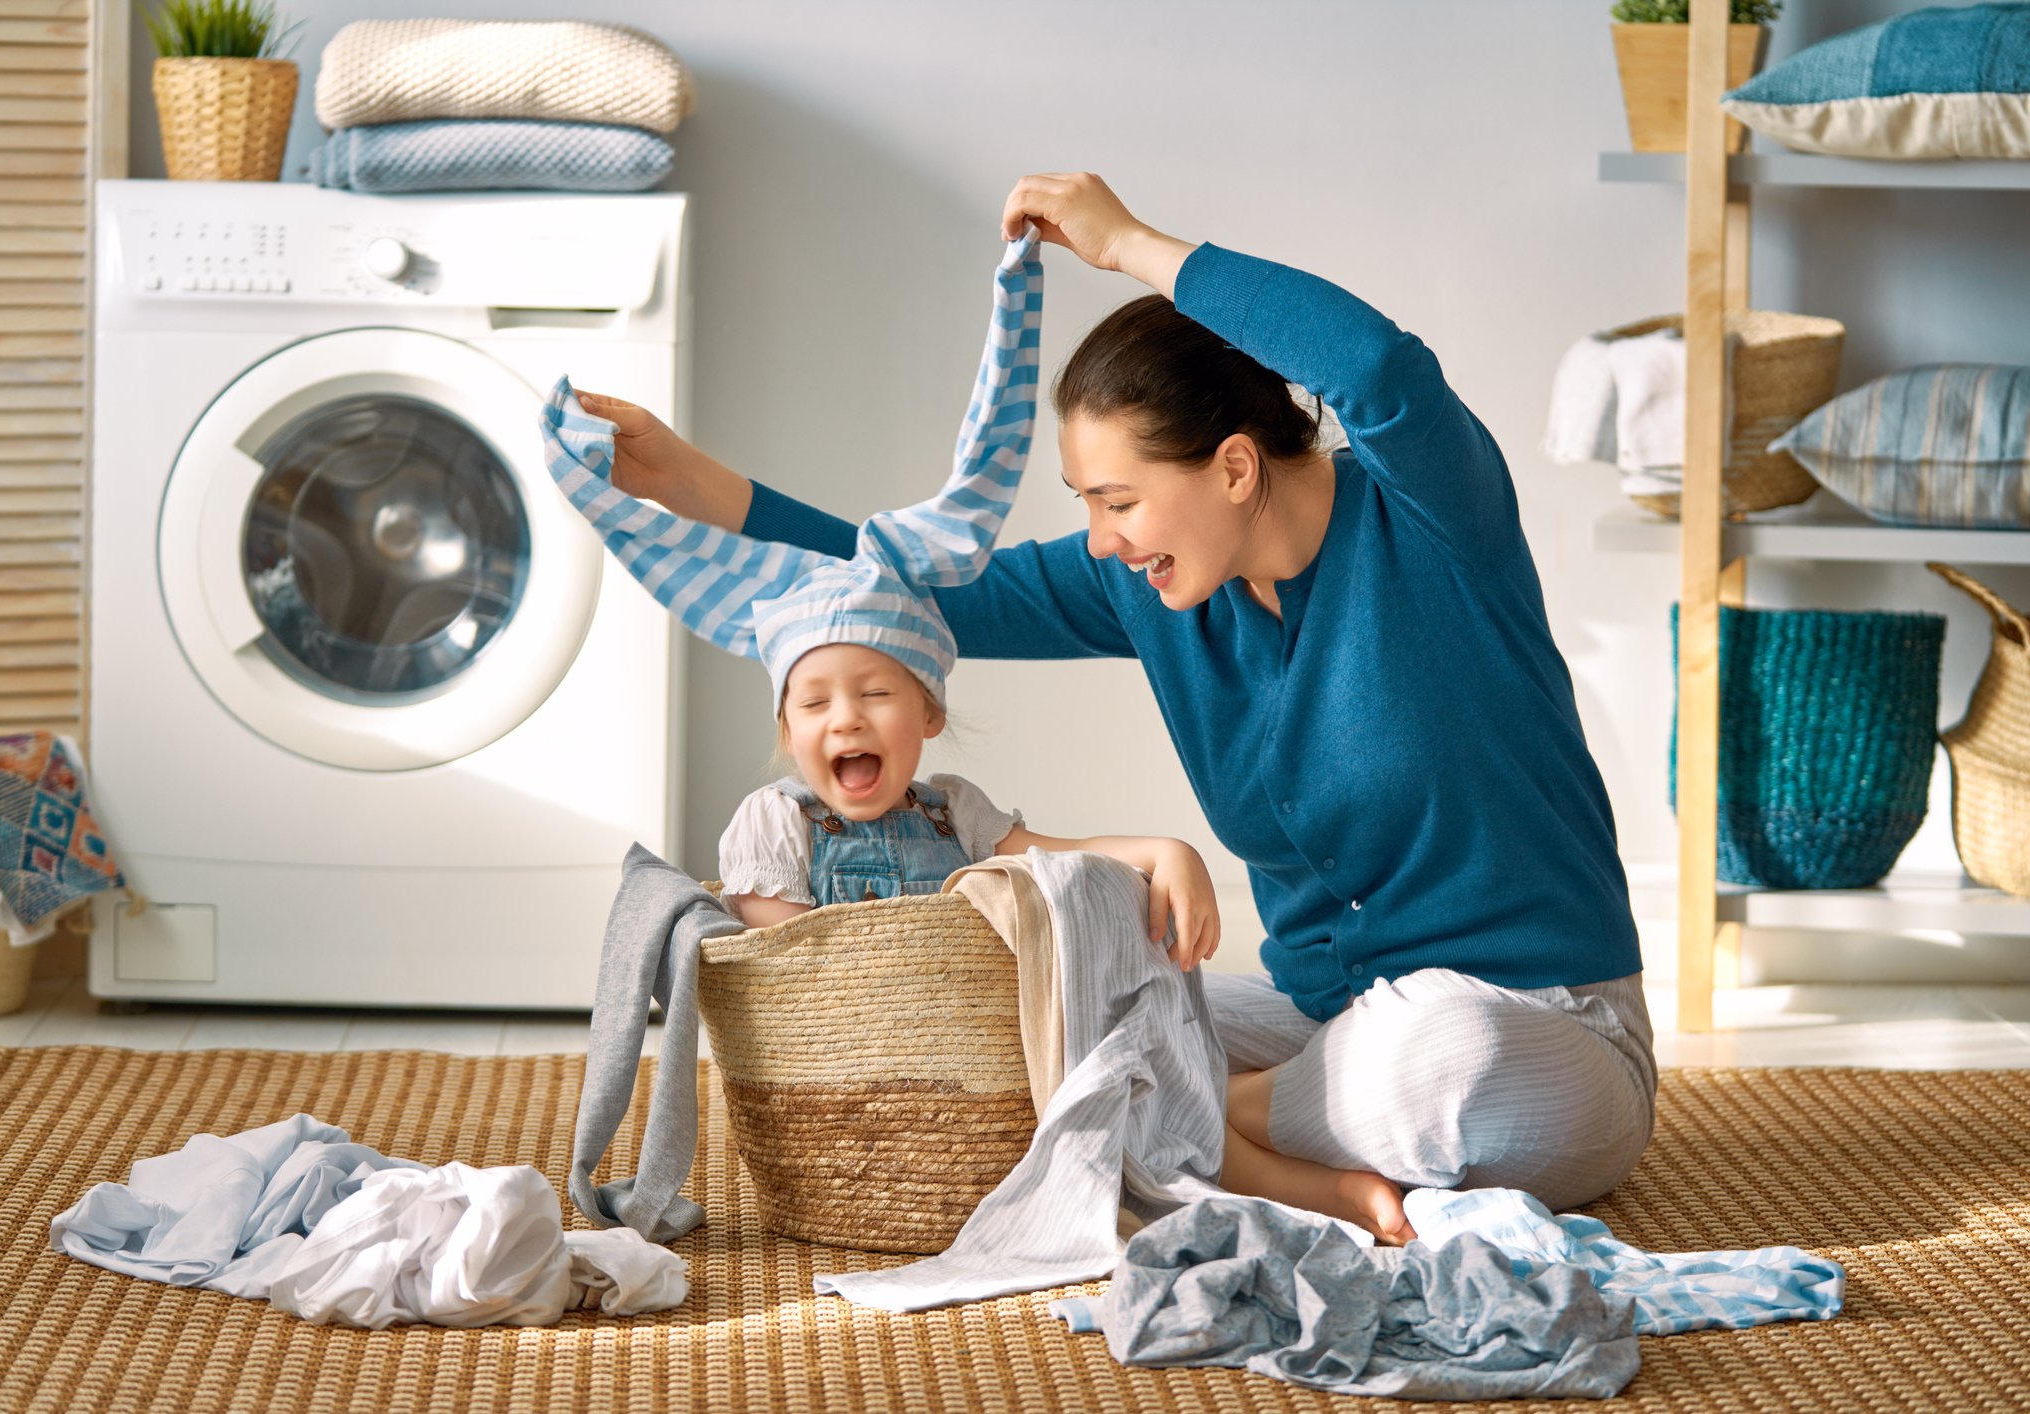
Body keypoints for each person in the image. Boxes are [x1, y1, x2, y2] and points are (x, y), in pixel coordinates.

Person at [568, 174, 1658, 1246]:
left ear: (1234, 467)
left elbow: (1378, 366)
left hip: (1541, 1027)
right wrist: (687, 481)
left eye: (1118, 501)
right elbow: (902, 586)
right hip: (1320, 1023)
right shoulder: (1152, 588)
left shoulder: (1431, 520)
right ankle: (1205, 1132)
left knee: (1438, 1054)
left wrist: (1129, 243)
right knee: (1032, 1000)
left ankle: (1155, 1125)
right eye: (1087, 505)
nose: (1100, 537)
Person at [544, 225, 1222, 1014]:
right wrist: (675, 479)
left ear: (930, 712)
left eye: (875, 693)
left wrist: (1160, 851)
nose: (845, 719)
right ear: (786, 729)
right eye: (815, 701)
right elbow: (789, 981)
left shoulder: (956, 812)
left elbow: (1056, 858)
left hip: (952, 1049)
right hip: (846, 1051)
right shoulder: (778, 824)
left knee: (1147, 1005)